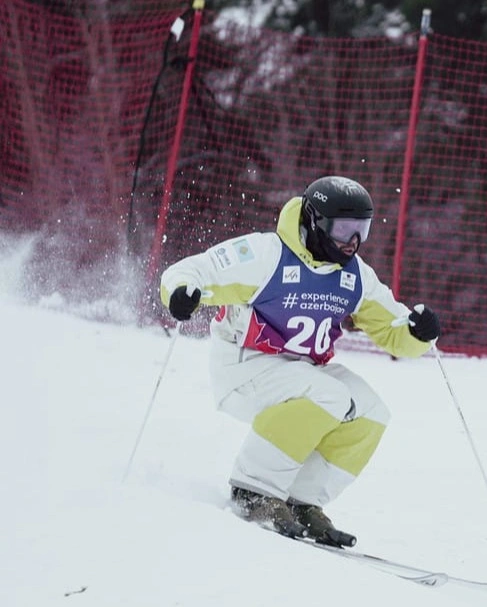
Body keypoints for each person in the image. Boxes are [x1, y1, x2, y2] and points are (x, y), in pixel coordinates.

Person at [159, 176, 440, 547]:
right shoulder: (266, 255)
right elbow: (196, 270)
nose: (353, 243)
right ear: (314, 220)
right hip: (244, 370)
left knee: (371, 412)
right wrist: (180, 292)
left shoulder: (354, 276)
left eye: (362, 231)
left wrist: (418, 332)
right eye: (344, 230)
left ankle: (302, 501)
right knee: (331, 396)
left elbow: (392, 327)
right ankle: (254, 490)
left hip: (300, 373)